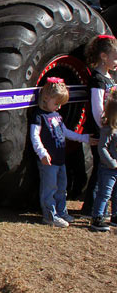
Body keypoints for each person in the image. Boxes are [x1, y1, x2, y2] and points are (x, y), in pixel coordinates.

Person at [30, 78, 96, 227]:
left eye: (60, 104)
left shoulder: (57, 115)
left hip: (60, 160)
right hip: (48, 161)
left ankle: (61, 211)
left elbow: (65, 132)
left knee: (61, 187)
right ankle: (49, 215)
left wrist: (84, 138)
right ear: (46, 98)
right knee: (49, 188)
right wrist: (42, 153)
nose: (59, 107)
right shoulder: (39, 116)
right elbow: (34, 136)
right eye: (57, 103)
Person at [80, 34, 117, 218]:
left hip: (112, 130)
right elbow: (97, 109)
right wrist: (104, 130)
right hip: (101, 131)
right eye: (115, 57)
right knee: (100, 168)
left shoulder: (111, 77)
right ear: (104, 56)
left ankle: (99, 207)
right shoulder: (97, 79)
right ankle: (90, 209)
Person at [90, 89, 117, 232]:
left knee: (116, 193)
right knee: (105, 193)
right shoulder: (108, 129)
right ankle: (97, 217)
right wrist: (111, 162)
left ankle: (115, 216)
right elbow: (102, 148)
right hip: (108, 169)